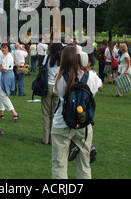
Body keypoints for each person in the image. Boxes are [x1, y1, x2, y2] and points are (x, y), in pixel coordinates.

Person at [52, 45, 94, 179]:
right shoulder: (90, 77)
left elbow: (56, 93)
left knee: (59, 164)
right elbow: (98, 87)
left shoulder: (59, 78)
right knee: (84, 164)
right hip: (83, 123)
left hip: (62, 123)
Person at [41, 43, 62, 145]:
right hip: (58, 87)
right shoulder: (63, 60)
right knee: (56, 113)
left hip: (47, 86)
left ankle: (46, 138)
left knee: (46, 113)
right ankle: (54, 138)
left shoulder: (47, 58)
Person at [0, 43, 19, 122]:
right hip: (4, 76)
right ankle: (1, 112)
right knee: (1, 94)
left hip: (6, 76)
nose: (3, 49)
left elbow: (5, 70)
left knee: (3, 95)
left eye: (5, 48)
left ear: (8, 49)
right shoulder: (4, 56)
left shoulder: (8, 57)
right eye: (2, 48)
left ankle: (15, 113)